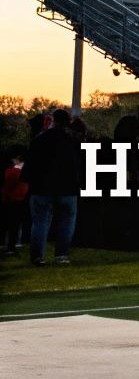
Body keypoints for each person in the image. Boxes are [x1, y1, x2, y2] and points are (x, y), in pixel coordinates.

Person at [22, 108, 82, 265]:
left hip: (42, 188)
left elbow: (30, 163)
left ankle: (37, 257)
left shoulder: (40, 140)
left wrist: (27, 180)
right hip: (67, 188)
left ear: (53, 120)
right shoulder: (72, 141)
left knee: (40, 222)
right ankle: (61, 255)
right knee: (67, 221)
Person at [1, 145, 26, 256]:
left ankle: (10, 246)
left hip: (11, 200)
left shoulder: (12, 172)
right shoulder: (22, 170)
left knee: (11, 224)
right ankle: (15, 244)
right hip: (21, 200)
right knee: (16, 224)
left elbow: (8, 186)